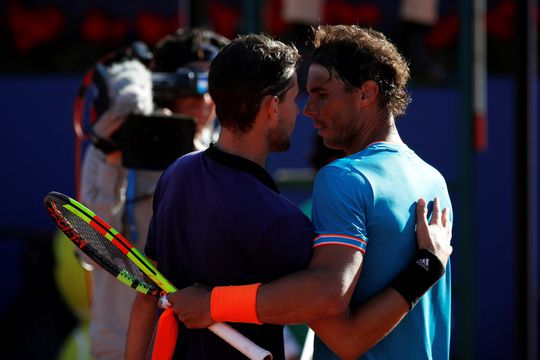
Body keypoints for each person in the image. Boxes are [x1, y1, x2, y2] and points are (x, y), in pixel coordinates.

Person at [126, 31, 452, 360]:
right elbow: (331, 306)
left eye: (320, 94)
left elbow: (145, 299)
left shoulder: (176, 175)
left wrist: (211, 304)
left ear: (367, 93)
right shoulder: (434, 181)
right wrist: (426, 267)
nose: (307, 111)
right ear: (272, 107)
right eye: (300, 97)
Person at [78, 28, 228, 360]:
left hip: (199, 345)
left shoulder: (229, 155)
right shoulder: (114, 143)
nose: (203, 101)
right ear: (162, 88)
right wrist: (110, 160)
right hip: (122, 346)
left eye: (213, 87)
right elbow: (92, 255)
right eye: (189, 85)